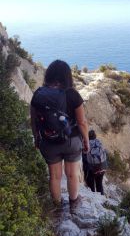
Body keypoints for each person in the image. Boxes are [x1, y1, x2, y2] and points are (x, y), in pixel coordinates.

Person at [30, 60, 89, 205]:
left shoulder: (38, 94)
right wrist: (86, 140)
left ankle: (57, 206)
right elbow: (82, 122)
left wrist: (37, 138)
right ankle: (74, 203)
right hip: (71, 140)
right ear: (67, 76)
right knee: (72, 174)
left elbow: (34, 122)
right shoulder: (73, 95)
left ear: (48, 75)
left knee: (55, 176)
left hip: (49, 141)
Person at [84, 130, 107, 195]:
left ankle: (92, 196)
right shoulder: (99, 142)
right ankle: (102, 201)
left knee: (90, 183)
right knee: (99, 184)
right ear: (95, 136)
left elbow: (84, 159)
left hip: (93, 168)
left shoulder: (86, 144)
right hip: (103, 166)